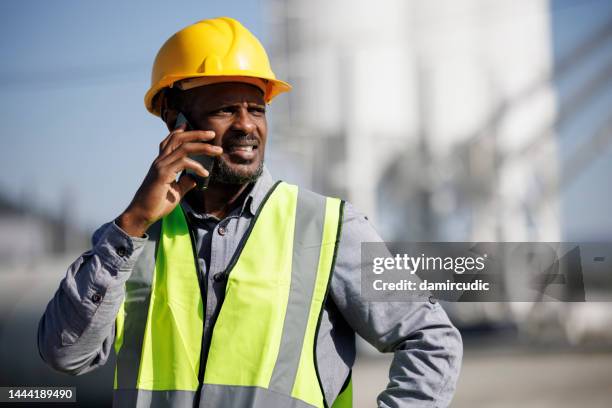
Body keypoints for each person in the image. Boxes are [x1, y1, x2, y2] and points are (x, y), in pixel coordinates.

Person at [37, 17, 462, 408]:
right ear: (174, 117)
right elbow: (65, 354)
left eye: (256, 109)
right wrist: (130, 226)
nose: (247, 125)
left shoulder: (330, 227)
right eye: (226, 109)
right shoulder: (130, 243)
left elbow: (431, 340)